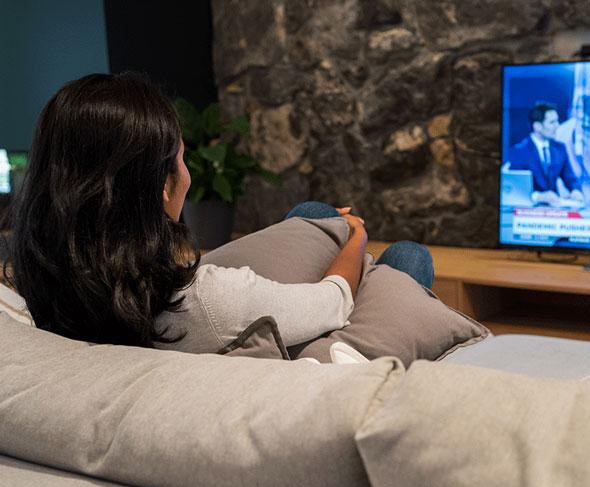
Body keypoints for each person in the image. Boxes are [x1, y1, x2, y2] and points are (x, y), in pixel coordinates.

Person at [3, 72, 433, 353]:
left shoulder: (31, 287)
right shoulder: (203, 302)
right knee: (408, 257)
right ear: (162, 185)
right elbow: (335, 302)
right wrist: (356, 234)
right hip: (303, 337)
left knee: (312, 213)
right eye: (182, 160)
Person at [507, 102, 584, 207]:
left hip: (554, 211)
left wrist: (575, 190)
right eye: (552, 122)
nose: (557, 126)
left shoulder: (560, 148)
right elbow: (515, 188)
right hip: (528, 211)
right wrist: (539, 196)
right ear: (537, 126)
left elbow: (570, 177)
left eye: (557, 121)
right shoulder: (519, 151)